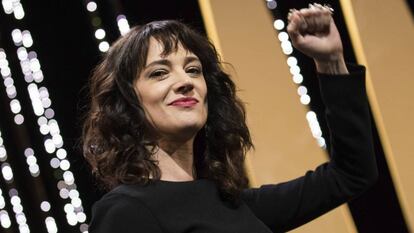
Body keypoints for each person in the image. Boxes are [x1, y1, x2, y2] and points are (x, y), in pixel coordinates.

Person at [83, 3, 377, 233]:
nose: (186, 81)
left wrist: (331, 60)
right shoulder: (126, 211)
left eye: (193, 69)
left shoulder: (234, 203)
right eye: (160, 72)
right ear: (126, 103)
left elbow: (352, 174)